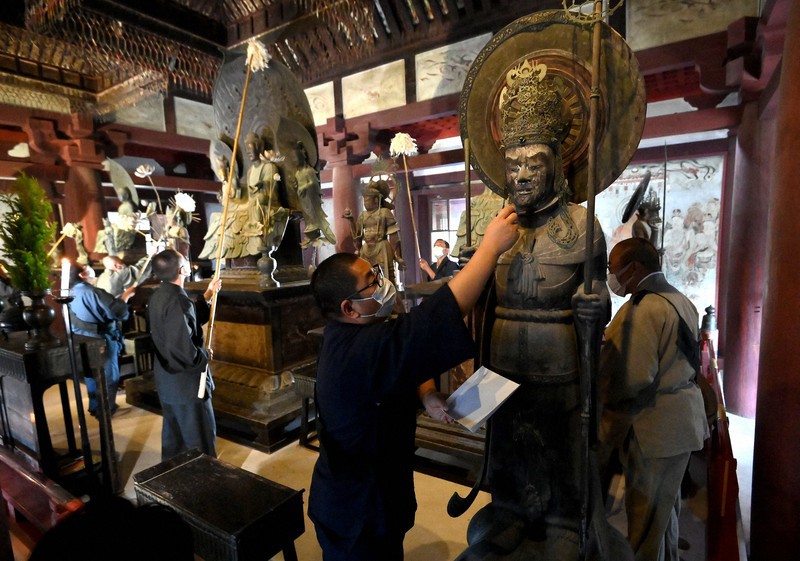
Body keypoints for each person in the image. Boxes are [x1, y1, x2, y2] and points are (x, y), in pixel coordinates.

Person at [454, 61, 629, 561]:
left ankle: (562, 521)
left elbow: (601, 294)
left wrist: (595, 305)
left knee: (560, 443)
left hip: (559, 361)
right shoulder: (499, 224)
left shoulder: (581, 224)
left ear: (559, 163)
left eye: (534, 162)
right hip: (502, 361)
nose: (522, 174)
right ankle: (511, 511)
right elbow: (480, 293)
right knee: (508, 441)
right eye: (513, 164)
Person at [308, 205, 519, 561]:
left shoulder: (359, 331)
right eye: (371, 282)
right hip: (356, 507)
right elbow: (427, 326)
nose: (381, 283)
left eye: (376, 273)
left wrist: (427, 394)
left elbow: (403, 358)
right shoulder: (357, 350)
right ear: (348, 308)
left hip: (381, 488)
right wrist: (489, 249)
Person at [598, 237, 709, 561]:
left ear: (634, 268)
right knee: (664, 517)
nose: (612, 276)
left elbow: (633, 378)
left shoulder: (643, 309)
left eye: (613, 268)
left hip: (655, 429)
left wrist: (602, 396)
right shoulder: (680, 299)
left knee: (645, 527)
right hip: (680, 425)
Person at [148, 249, 221, 461]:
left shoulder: (159, 296)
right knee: (199, 442)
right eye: (185, 261)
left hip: (168, 380)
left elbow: (186, 321)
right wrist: (203, 356)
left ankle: (174, 477)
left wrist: (208, 294)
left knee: (175, 440)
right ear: (182, 270)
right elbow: (182, 349)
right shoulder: (177, 300)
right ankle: (203, 480)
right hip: (187, 384)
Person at [68, 262, 135, 417]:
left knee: (91, 375)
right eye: (86, 267)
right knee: (109, 376)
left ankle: (95, 406)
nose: (90, 268)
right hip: (100, 338)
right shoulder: (92, 292)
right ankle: (105, 409)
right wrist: (126, 296)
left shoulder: (70, 292)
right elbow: (116, 311)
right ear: (82, 275)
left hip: (82, 338)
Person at [343, 177, 405, 286]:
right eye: (364, 200)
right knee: (366, 276)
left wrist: (398, 256)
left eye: (367, 200)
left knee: (385, 277)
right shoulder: (363, 215)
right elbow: (358, 235)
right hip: (366, 249)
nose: (365, 203)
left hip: (382, 247)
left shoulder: (385, 212)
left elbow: (394, 236)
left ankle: (388, 293)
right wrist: (351, 221)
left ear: (376, 200)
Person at [294, 141, 336, 248]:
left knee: (315, 214)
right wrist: (297, 188)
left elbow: (313, 183)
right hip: (303, 198)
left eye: (298, 158)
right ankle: (311, 226)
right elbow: (298, 185)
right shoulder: (297, 173)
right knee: (307, 214)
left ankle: (324, 232)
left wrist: (303, 187)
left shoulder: (309, 171)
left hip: (310, 197)